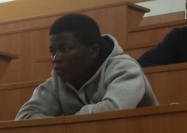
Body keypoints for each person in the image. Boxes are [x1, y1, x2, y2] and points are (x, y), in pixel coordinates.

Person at [17, 14, 158, 119]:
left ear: (93, 51)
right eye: (53, 52)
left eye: (65, 49)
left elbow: (112, 112)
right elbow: (25, 116)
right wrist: (62, 127)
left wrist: (65, 125)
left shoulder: (125, 69)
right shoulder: (59, 79)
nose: (56, 58)